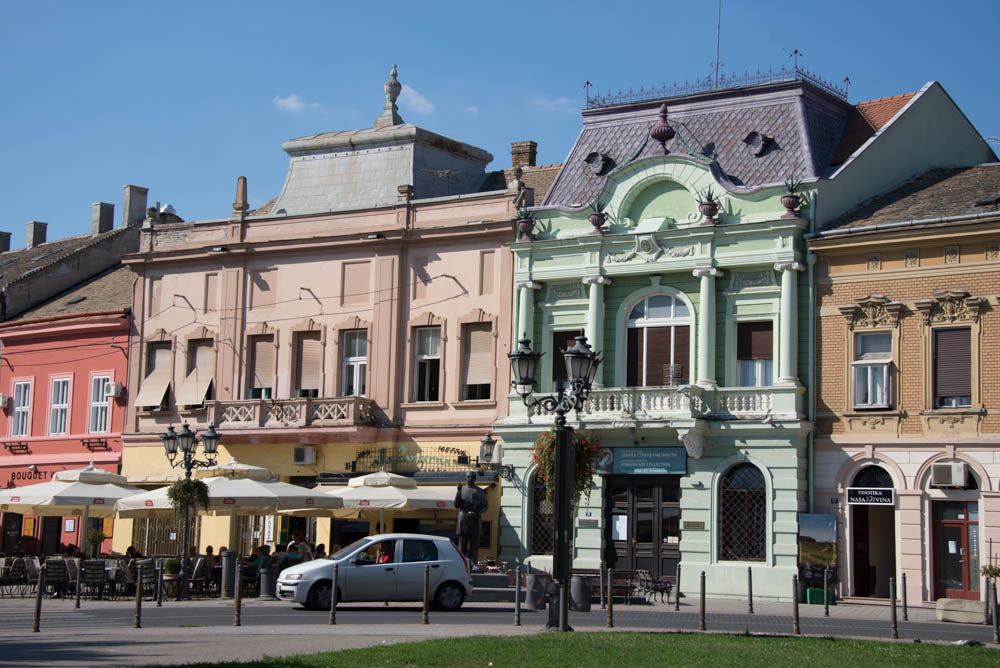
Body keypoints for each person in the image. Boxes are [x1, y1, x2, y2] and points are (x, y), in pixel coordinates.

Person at [455, 470, 488, 564]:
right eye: (468, 477)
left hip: (475, 520)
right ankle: (461, 564)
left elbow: (485, 506)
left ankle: (474, 564)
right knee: (462, 546)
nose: (470, 479)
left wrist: (477, 512)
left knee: (474, 546)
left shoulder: (480, 491)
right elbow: (456, 505)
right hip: (463, 520)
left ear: (475, 478)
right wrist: (458, 492)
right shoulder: (462, 490)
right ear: (466, 478)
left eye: (472, 477)